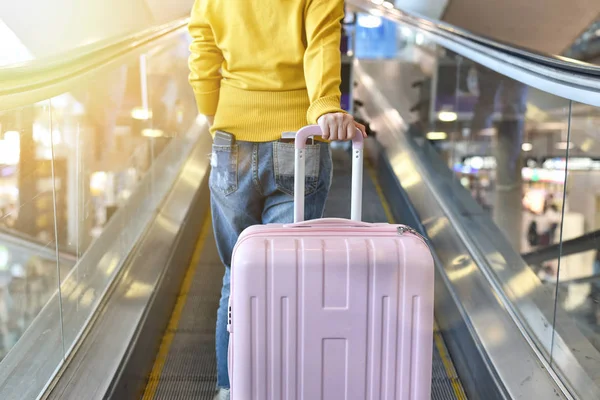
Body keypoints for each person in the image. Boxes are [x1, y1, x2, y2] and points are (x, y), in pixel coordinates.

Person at [187, 1, 366, 399]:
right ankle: (280, 389)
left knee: (239, 274)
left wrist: (211, 105)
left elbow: (202, 42)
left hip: (229, 141)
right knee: (285, 280)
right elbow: (322, 43)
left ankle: (231, 389)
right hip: (297, 140)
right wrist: (324, 105)